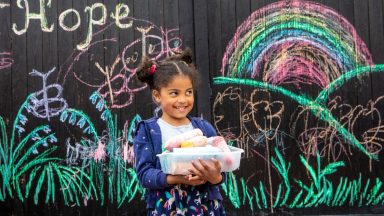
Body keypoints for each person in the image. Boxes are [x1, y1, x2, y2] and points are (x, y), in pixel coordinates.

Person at [133, 49, 226, 215]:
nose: (183, 100)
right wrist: (177, 179)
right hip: (167, 207)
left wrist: (215, 177)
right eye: (174, 93)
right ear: (157, 95)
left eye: (188, 92)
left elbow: (221, 170)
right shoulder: (147, 131)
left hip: (205, 205)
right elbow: (144, 174)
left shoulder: (203, 128)